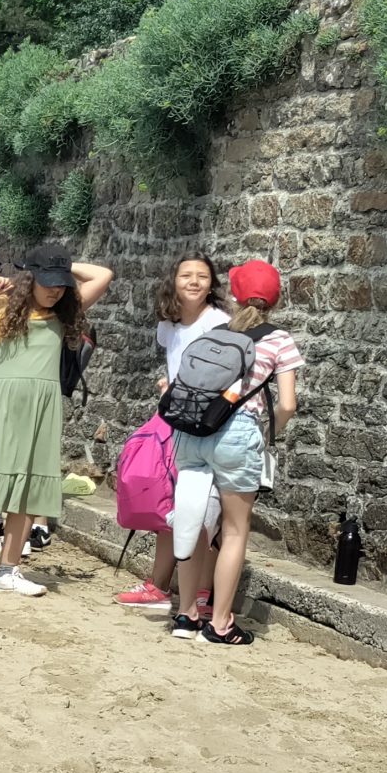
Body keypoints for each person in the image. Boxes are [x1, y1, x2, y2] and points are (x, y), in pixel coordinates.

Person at [0, 242, 112, 594]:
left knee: (30, 490)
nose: (55, 289)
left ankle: (8, 570)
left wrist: (61, 266)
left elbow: (103, 275)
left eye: (61, 282)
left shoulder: (65, 311)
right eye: (48, 280)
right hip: (1, 405)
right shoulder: (1, 308)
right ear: (30, 278)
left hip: (42, 407)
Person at [172, 261, 304, 646]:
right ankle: (220, 624)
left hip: (193, 430)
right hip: (238, 433)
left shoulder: (215, 332)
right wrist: (266, 434)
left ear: (234, 295)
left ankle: (186, 615)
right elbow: (288, 404)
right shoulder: (280, 340)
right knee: (234, 530)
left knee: (195, 524)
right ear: (276, 300)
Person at [113, 255, 231, 615]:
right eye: (186, 275)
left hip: (207, 423)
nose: (194, 281)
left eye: (202, 276)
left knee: (207, 509)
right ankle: (160, 585)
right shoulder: (168, 326)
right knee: (169, 503)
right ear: (174, 282)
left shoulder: (219, 323)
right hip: (172, 420)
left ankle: (203, 592)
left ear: (211, 285)